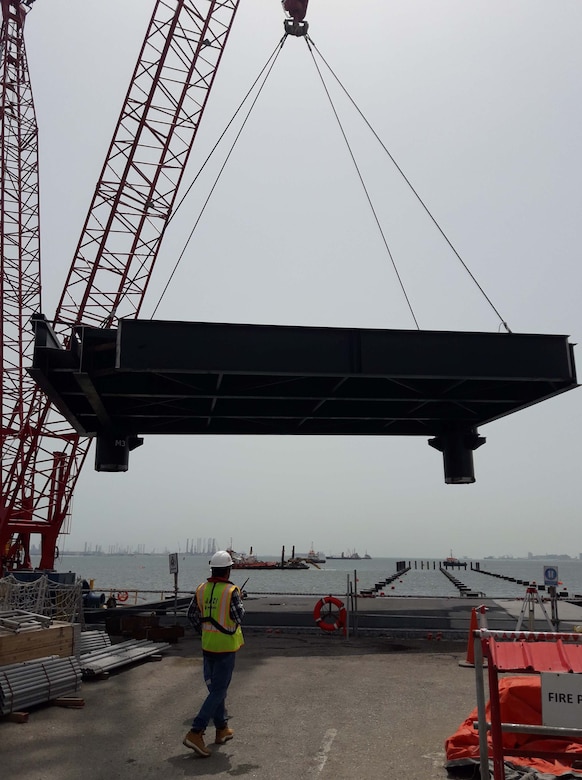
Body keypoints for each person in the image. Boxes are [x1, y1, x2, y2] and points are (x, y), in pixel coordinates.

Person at [182, 550, 245, 757]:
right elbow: (238, 616)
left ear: (212, 569)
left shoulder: (201, 589)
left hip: (207, 646)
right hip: (225, 648)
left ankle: (222, 729)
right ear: (228, 570)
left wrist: (204, 631)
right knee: (219, 690)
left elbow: (191, 614)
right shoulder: (231, 590)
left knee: (217, 689)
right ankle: (196, 731)